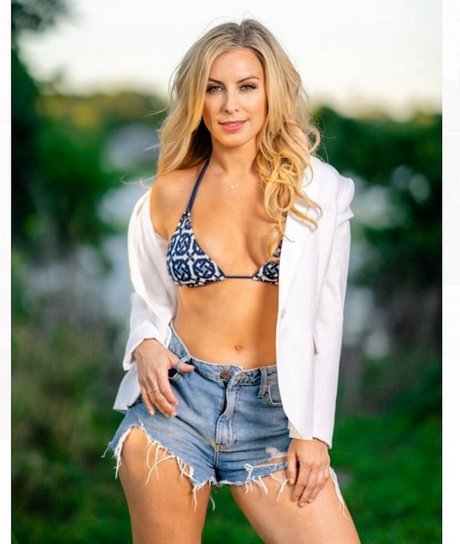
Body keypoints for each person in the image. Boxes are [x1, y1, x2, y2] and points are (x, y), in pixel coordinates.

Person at [106, 18, 361, 544]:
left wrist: (314, 433)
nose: (229, 106)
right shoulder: (169, 192)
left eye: (246, 86)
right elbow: (150, 295)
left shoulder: (320, 192)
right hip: (178, 402)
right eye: (213, 88)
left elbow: (326, 317)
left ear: (272, 93)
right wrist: (146, 343)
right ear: (196, 99)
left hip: (275, 413)